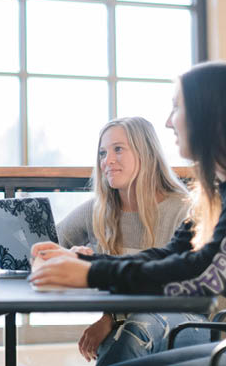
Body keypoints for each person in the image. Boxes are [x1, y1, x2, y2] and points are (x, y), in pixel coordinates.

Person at [30, 61, 226, 366]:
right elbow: (172, 254)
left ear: (210, 114)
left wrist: (90, 275)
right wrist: (86, 263)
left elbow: (206, 274)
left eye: (177, 107)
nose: (169, 121)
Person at [57, 117, 209, 364]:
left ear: (146, 152)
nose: (107, 161)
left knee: (135, 328)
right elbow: (49, 245)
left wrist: (112, 318)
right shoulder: (98, 210)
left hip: (190, 320)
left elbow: (178, 285)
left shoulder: (183, 209)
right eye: (103, 153)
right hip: (134, 322)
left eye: (118, 149)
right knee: (129, 330)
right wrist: (73, 255)